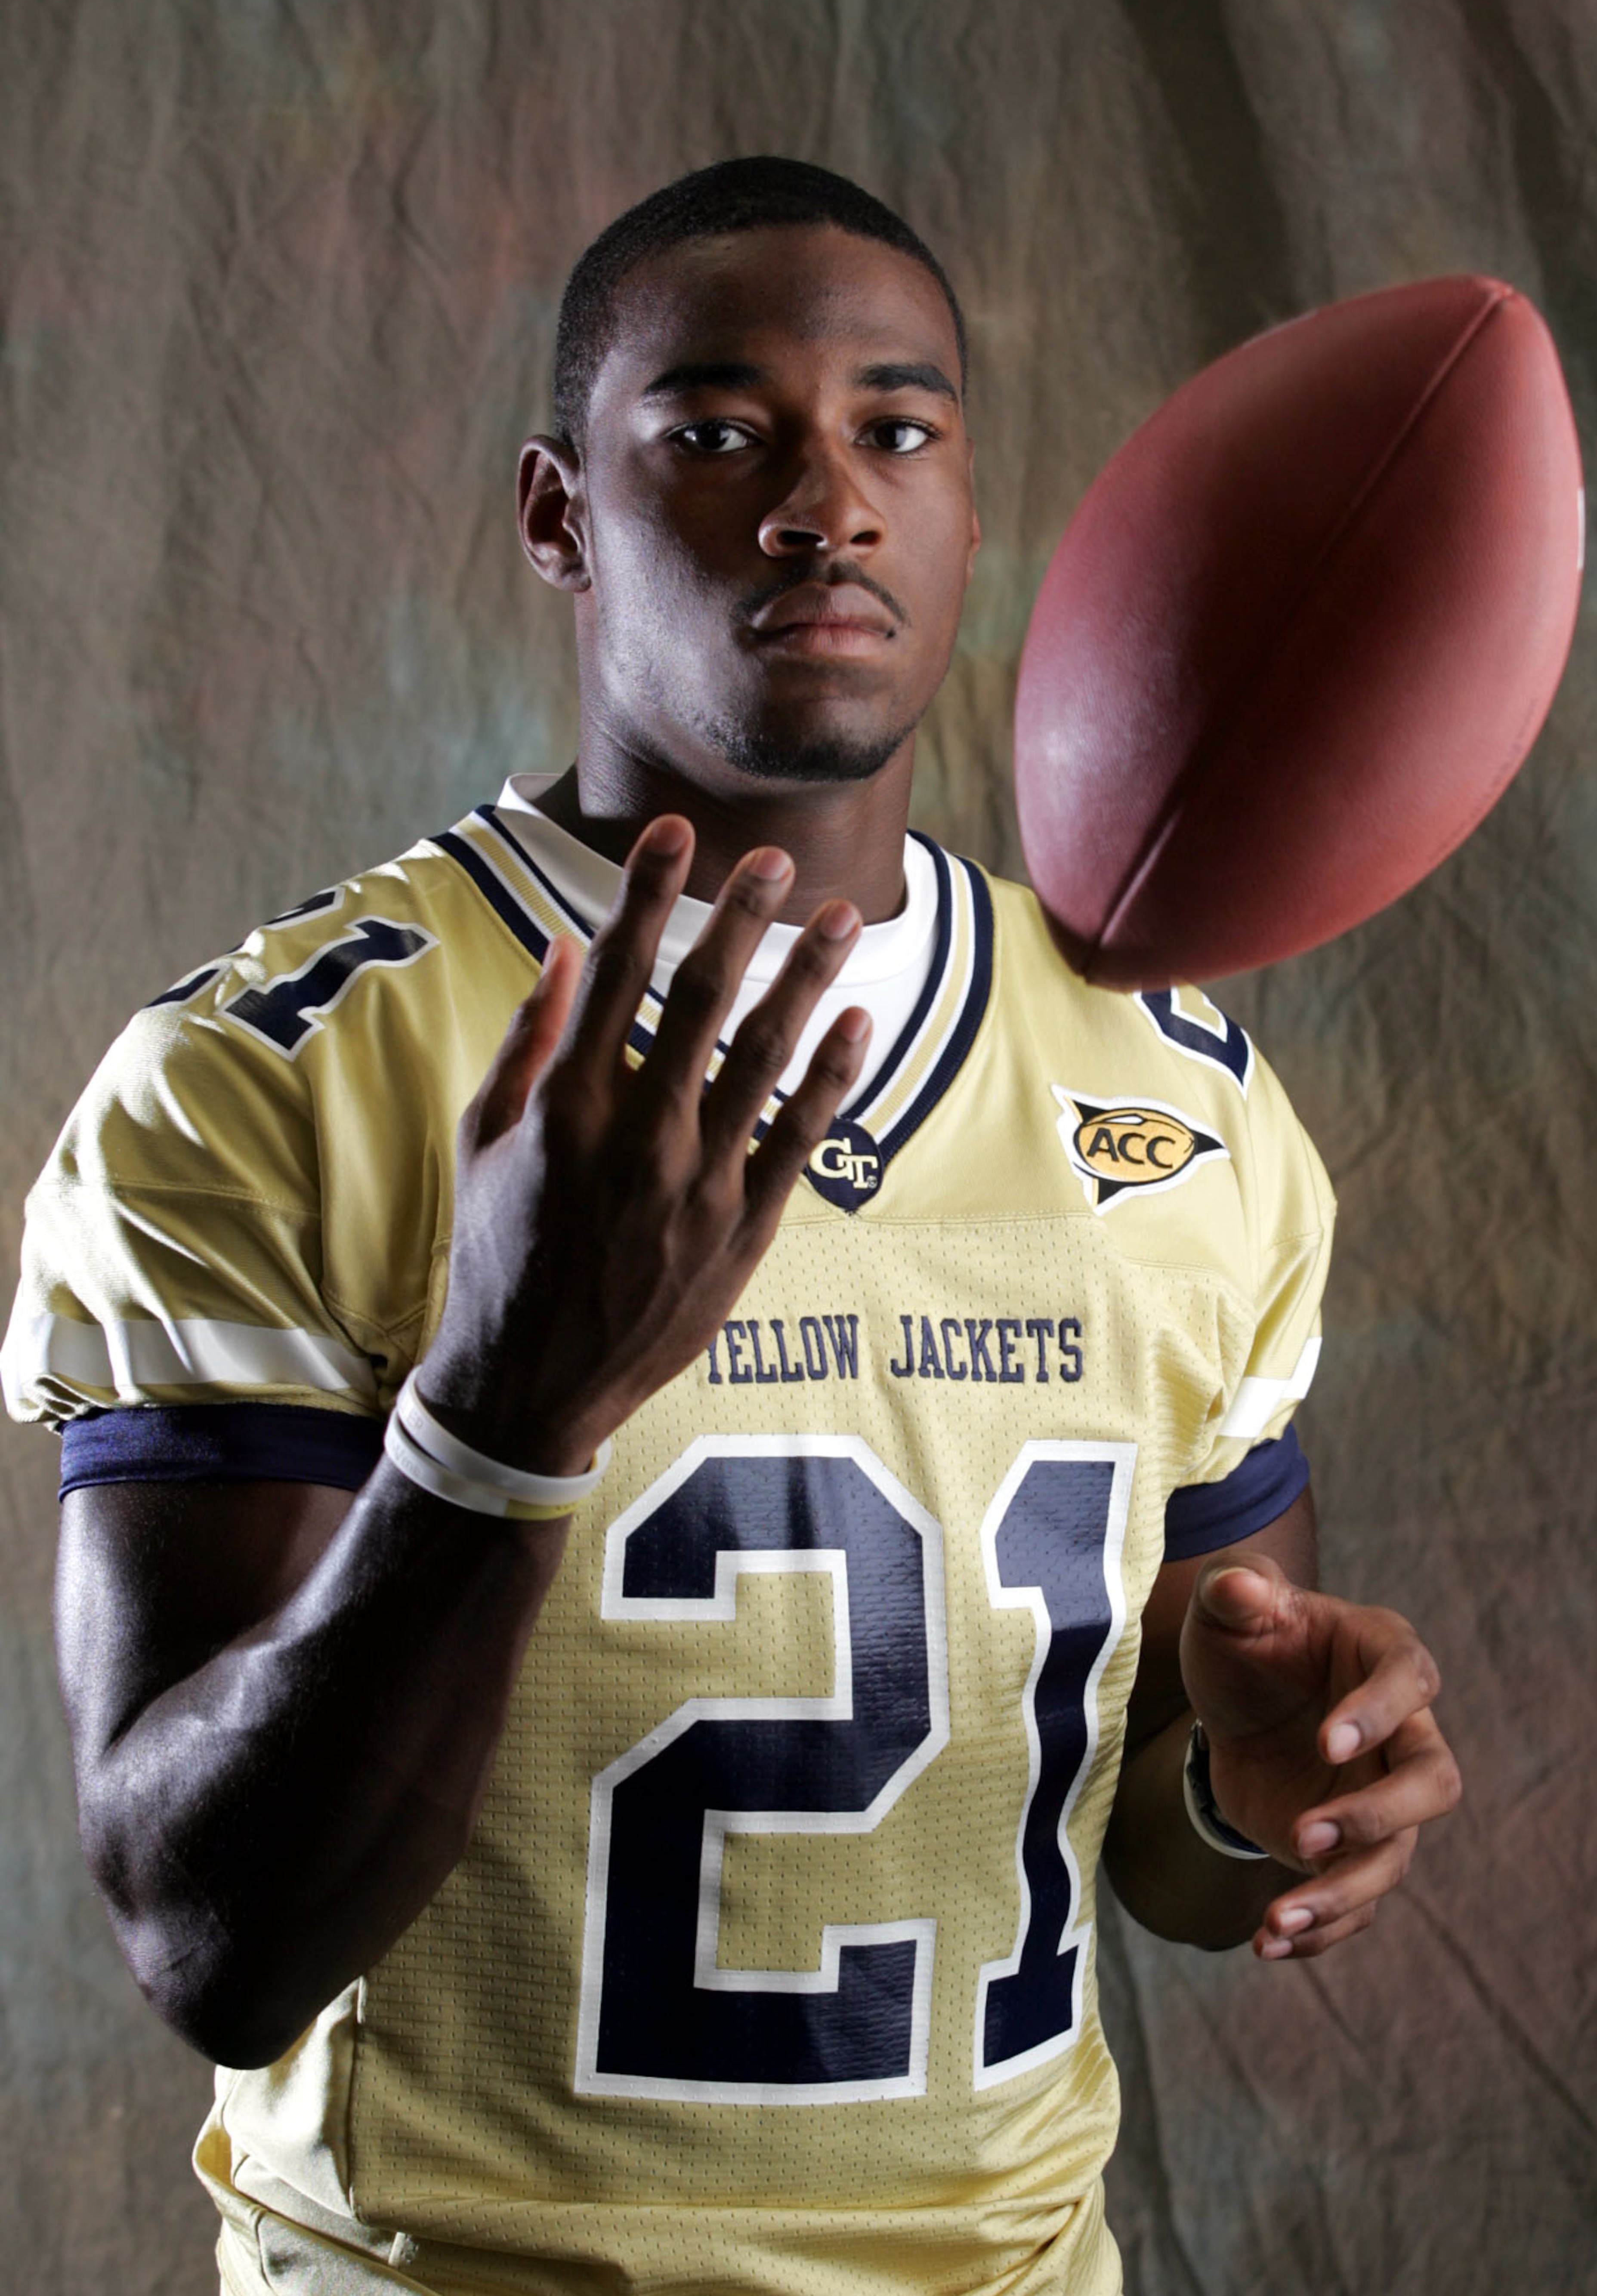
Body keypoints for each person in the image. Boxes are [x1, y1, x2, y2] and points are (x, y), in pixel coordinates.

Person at [3, 158, 1460, 2296]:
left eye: (898, 429)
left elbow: (1159, 1832)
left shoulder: (1184, 1099)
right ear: (555, 514)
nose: (823, 501)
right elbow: (210, 1940)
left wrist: (1255, 1795)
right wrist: (500, 1415)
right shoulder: (269, 1079)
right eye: (716, 430)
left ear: (973, 512)